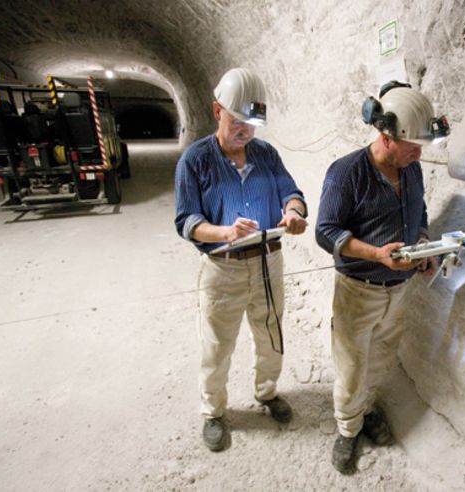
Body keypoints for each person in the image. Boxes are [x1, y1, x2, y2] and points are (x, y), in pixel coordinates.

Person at [315, 81, 448, 473]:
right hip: (359, 291)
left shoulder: (412, 170)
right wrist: (375, 254)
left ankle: (366, 408)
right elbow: (326, 231)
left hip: (399, 290)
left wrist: (422, 246)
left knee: (381, 358)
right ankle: (347, 428)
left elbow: (418, 213)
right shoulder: (346, 173)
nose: (419, 153)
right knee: (353, 364)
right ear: (387, 137)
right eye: (412, 145)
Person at [174, 67, 308, 452]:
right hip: (223, 267)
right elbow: (187, 221)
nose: (245, 131)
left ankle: (266, 393)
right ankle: (214, 411)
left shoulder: (266, 155)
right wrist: (225, 232)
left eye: (252, 124)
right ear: (218, 111)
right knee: (217, 344)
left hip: (268, 262)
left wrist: (294, 212)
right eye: (237, 121)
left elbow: (291, 192)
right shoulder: (194, 161)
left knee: (271, 335)